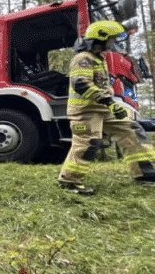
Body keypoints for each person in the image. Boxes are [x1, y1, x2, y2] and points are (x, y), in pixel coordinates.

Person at [58, 20, 155, 194]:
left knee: (131, 130)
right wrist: (109, 102)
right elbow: (81, 84)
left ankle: (146, 174)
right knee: (89, 142)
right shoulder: (83, 59)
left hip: (103, 107)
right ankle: (69, 181)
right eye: (111, 38)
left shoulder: (99, 58)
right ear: (100, 38)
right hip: (86, 110)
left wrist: (111, 100)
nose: (113, 42)